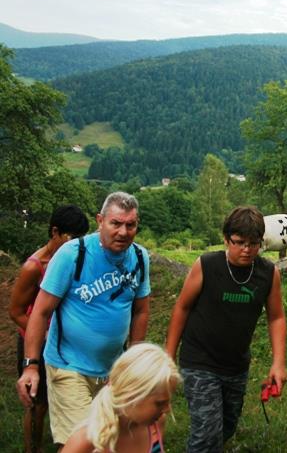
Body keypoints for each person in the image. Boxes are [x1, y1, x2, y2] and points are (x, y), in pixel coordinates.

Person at [16, 192, 151, 450]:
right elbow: (41, 311)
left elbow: (141, 311)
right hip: (69, 366)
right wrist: (31, 366)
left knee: (110, 442)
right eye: (116, 223)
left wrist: (132, 362)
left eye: (130, 225)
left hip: (112, 371)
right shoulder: (72, 255)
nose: (123, 232)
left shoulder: (140, 258)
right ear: (100, 221)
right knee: (81, 443)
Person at [165, 205, 287, 452]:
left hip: (236, 365)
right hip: (199, 360)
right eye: (239, 242)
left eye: (253, 244)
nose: (246, 250)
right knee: (207, 434)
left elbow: (276, 317)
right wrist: (167, 355)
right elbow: (182, 308)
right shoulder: (207, 265)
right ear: (225, 239)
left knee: (226, 427)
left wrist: (278, 362)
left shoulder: (268, 273)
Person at [9, 204, 90, 453]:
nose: (76, 243)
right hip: (37, 342)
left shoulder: (77, 259)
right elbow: (17, 312)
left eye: (80, 238)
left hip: (66, 343)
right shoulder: (34, 267)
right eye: (70, 237)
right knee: (37, 404)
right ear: (54, 232)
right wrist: (43, 336)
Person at [62, 343, 181, 453]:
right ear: (131, 396)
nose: (167, 409)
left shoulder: (155, 425)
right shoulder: (87, 441)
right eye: (160, 403)